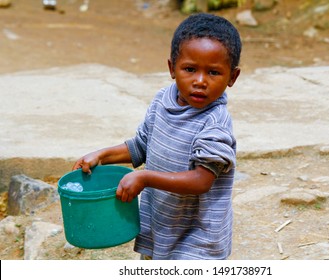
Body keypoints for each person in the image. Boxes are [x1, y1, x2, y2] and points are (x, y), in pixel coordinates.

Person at [72, 12, 241, 260]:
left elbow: (201, 181)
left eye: (213, 73)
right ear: (172, 68)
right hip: (162, 223)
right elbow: (141, 146)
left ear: (232, 77)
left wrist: (146, 178)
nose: (200, 81)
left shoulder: (214, 124)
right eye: (190, 69)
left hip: (198, 237)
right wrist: (101, 155)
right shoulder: (163, 100)